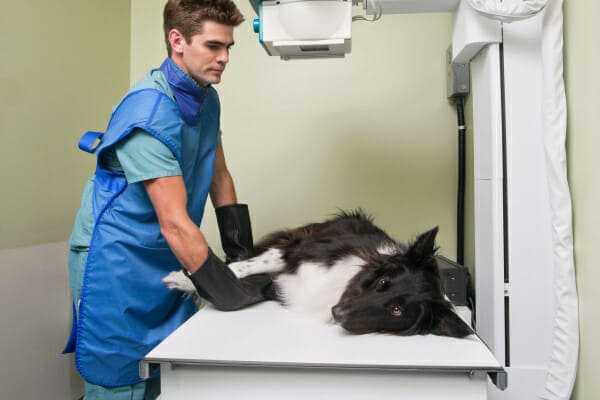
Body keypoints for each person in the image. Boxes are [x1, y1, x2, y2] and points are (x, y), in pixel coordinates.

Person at [62, 1, 270, 398]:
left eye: (228, 47)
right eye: (213, 46)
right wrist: (229, 292)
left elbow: (219, 174)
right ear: (177, 40)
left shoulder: (206, 98)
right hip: (116, 261)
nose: (224, 58)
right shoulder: (150, 114)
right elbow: (174, 221)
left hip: (168, 252)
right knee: (121, 373)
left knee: (168, 369)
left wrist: (243, 258)